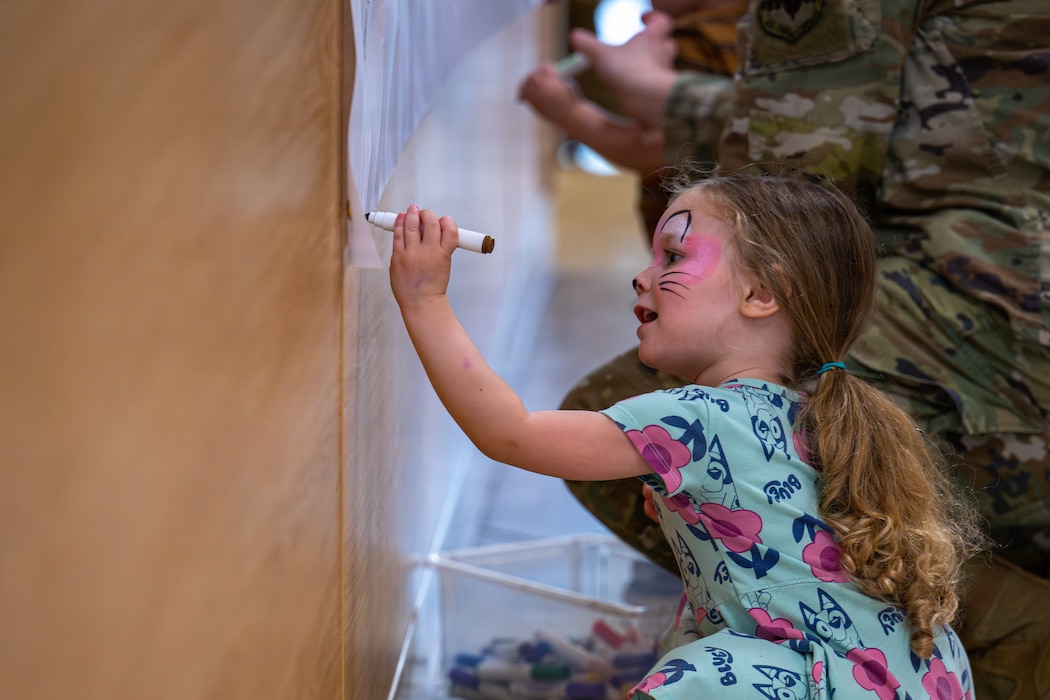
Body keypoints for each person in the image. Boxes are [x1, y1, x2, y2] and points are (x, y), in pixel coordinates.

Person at [521, 3, 1050, 697]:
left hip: (1004, 309)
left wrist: (424, 300)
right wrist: (667, 105)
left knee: (622, 417)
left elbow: (789, 194)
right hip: (1016, 278)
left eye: (672, 258)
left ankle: (964, 642)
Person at [389, 173, 986, 699]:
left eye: (673, 258)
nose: (642, 277)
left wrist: (424, 298)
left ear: (760, 295)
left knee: (695, 674)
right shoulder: (815, 416)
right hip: (919, 676)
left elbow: (511, 435)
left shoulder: (696, 418)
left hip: (814, 682)